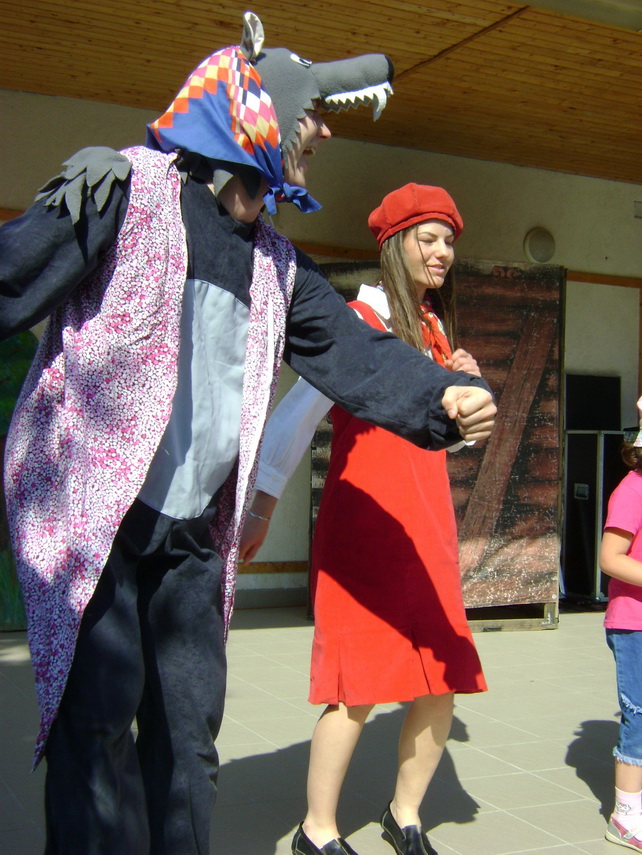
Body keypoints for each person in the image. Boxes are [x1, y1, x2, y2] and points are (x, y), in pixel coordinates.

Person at [1, 11, 496, 853]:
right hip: (100, 522)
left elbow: (356, 354)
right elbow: (12, 275)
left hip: (193, 535)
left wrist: (442, 396)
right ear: (257, 114)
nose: (323, 133)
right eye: (311, 117)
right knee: (96, 730)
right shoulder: (127, 194)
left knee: (189, 738)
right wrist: (67, 207)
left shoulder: (276, 263)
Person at [240, 183, 490, 855]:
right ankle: (316, 830)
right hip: (365, 531)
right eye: (429, 238)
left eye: (449, 241)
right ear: (395, 244)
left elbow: (446, 442)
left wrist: (464, 395)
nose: (443, 251)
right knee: (357, 687)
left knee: (443, 677)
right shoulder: (357, 319)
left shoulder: (436, 332)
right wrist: (260, 507)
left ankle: (404, 815)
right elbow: (293, 418)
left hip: (427, 529)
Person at [600, 396, 642, 852]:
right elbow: (610, 559)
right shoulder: (632, 489)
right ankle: (626, 816)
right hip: (635, 624)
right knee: (640, 717)